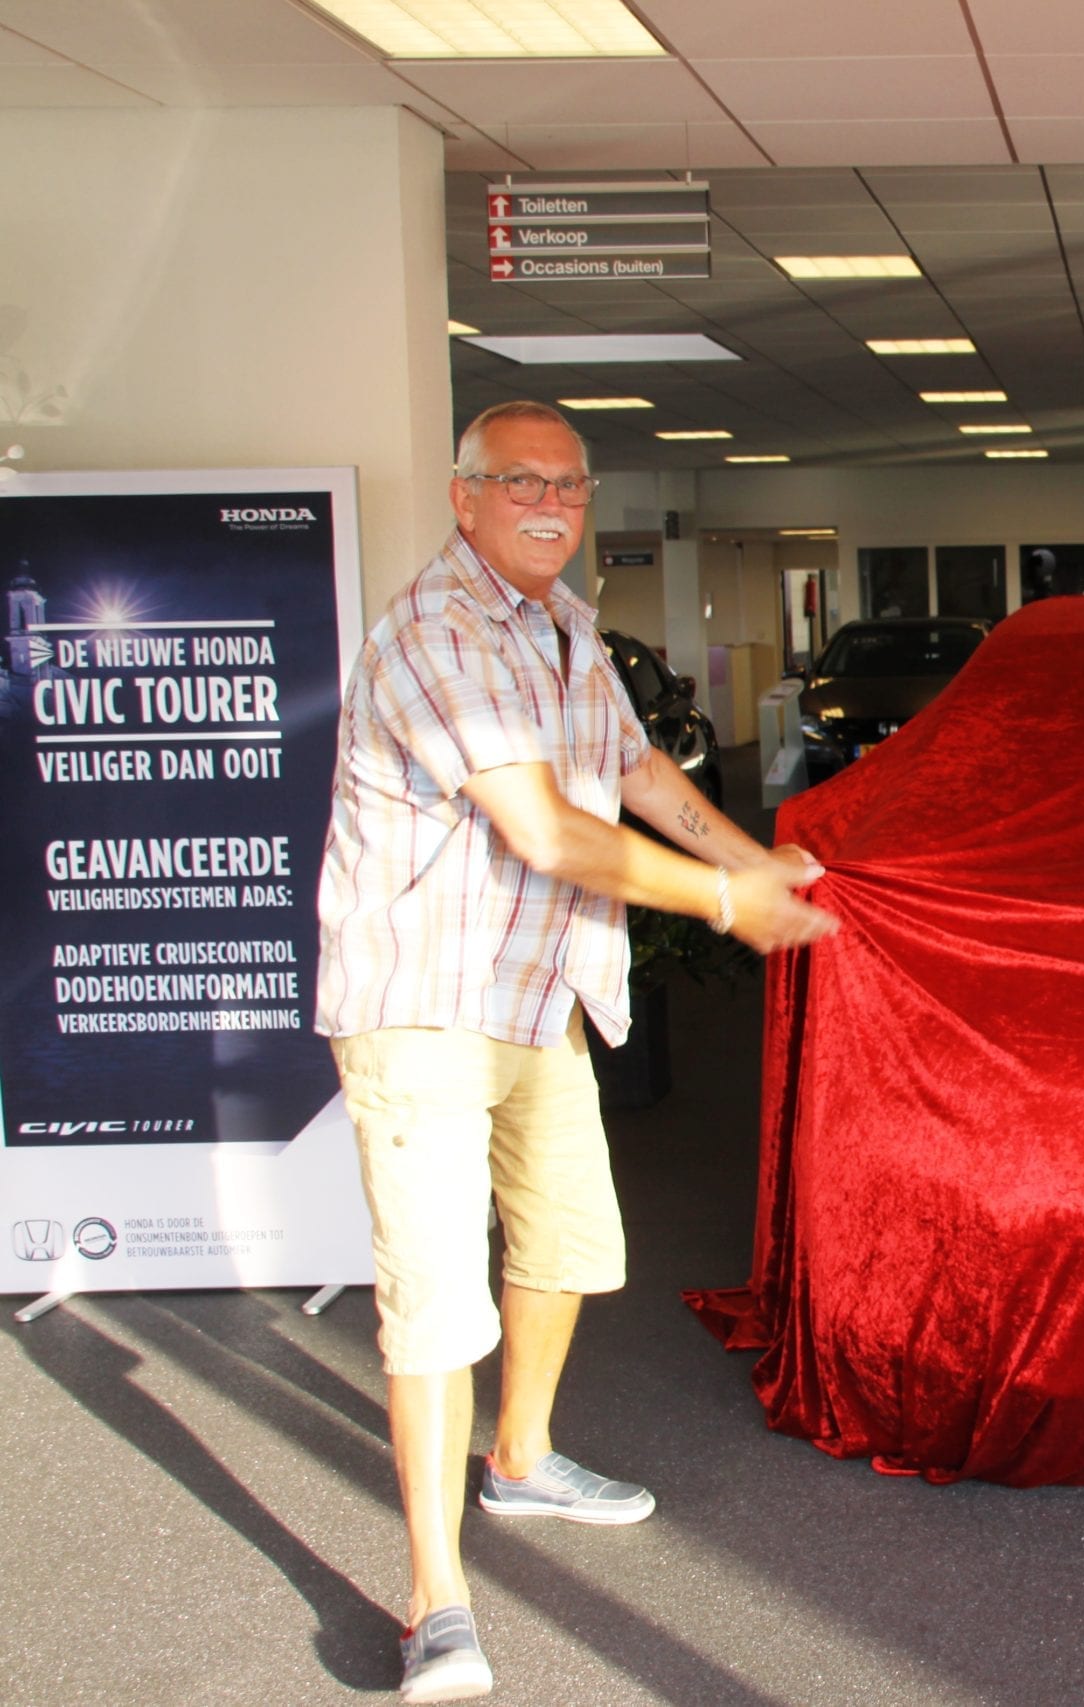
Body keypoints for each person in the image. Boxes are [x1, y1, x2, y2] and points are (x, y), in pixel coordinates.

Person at [315, 400, 837, 1702]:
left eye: (567, 485)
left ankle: (520, 1458)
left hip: (533, 994)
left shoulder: (562, 626)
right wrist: (724, 902)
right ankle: (436, 1599)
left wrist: (759, 858)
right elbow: (546, 830)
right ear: (465, 496)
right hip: (424, 1006)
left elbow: (637, 768)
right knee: (438, 1301)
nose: (549, 504)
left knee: (563, 1243)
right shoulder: (439, 631)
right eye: (520, 482)